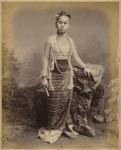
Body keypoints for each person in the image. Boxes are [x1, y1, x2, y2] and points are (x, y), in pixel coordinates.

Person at [38, 11, 92, 144]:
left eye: (65, 23)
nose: (62, 25)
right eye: (60, 22)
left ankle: (65, 127)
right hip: (53, 76)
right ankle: (53, 128)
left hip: (67, 76)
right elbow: (45, 58)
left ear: (69, 26)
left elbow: (75, 57)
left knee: (65, 103)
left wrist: (85, 67)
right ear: (56, 24)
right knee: (54, 104)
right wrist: (44, 76)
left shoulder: (70, 41)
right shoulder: (50, 39)